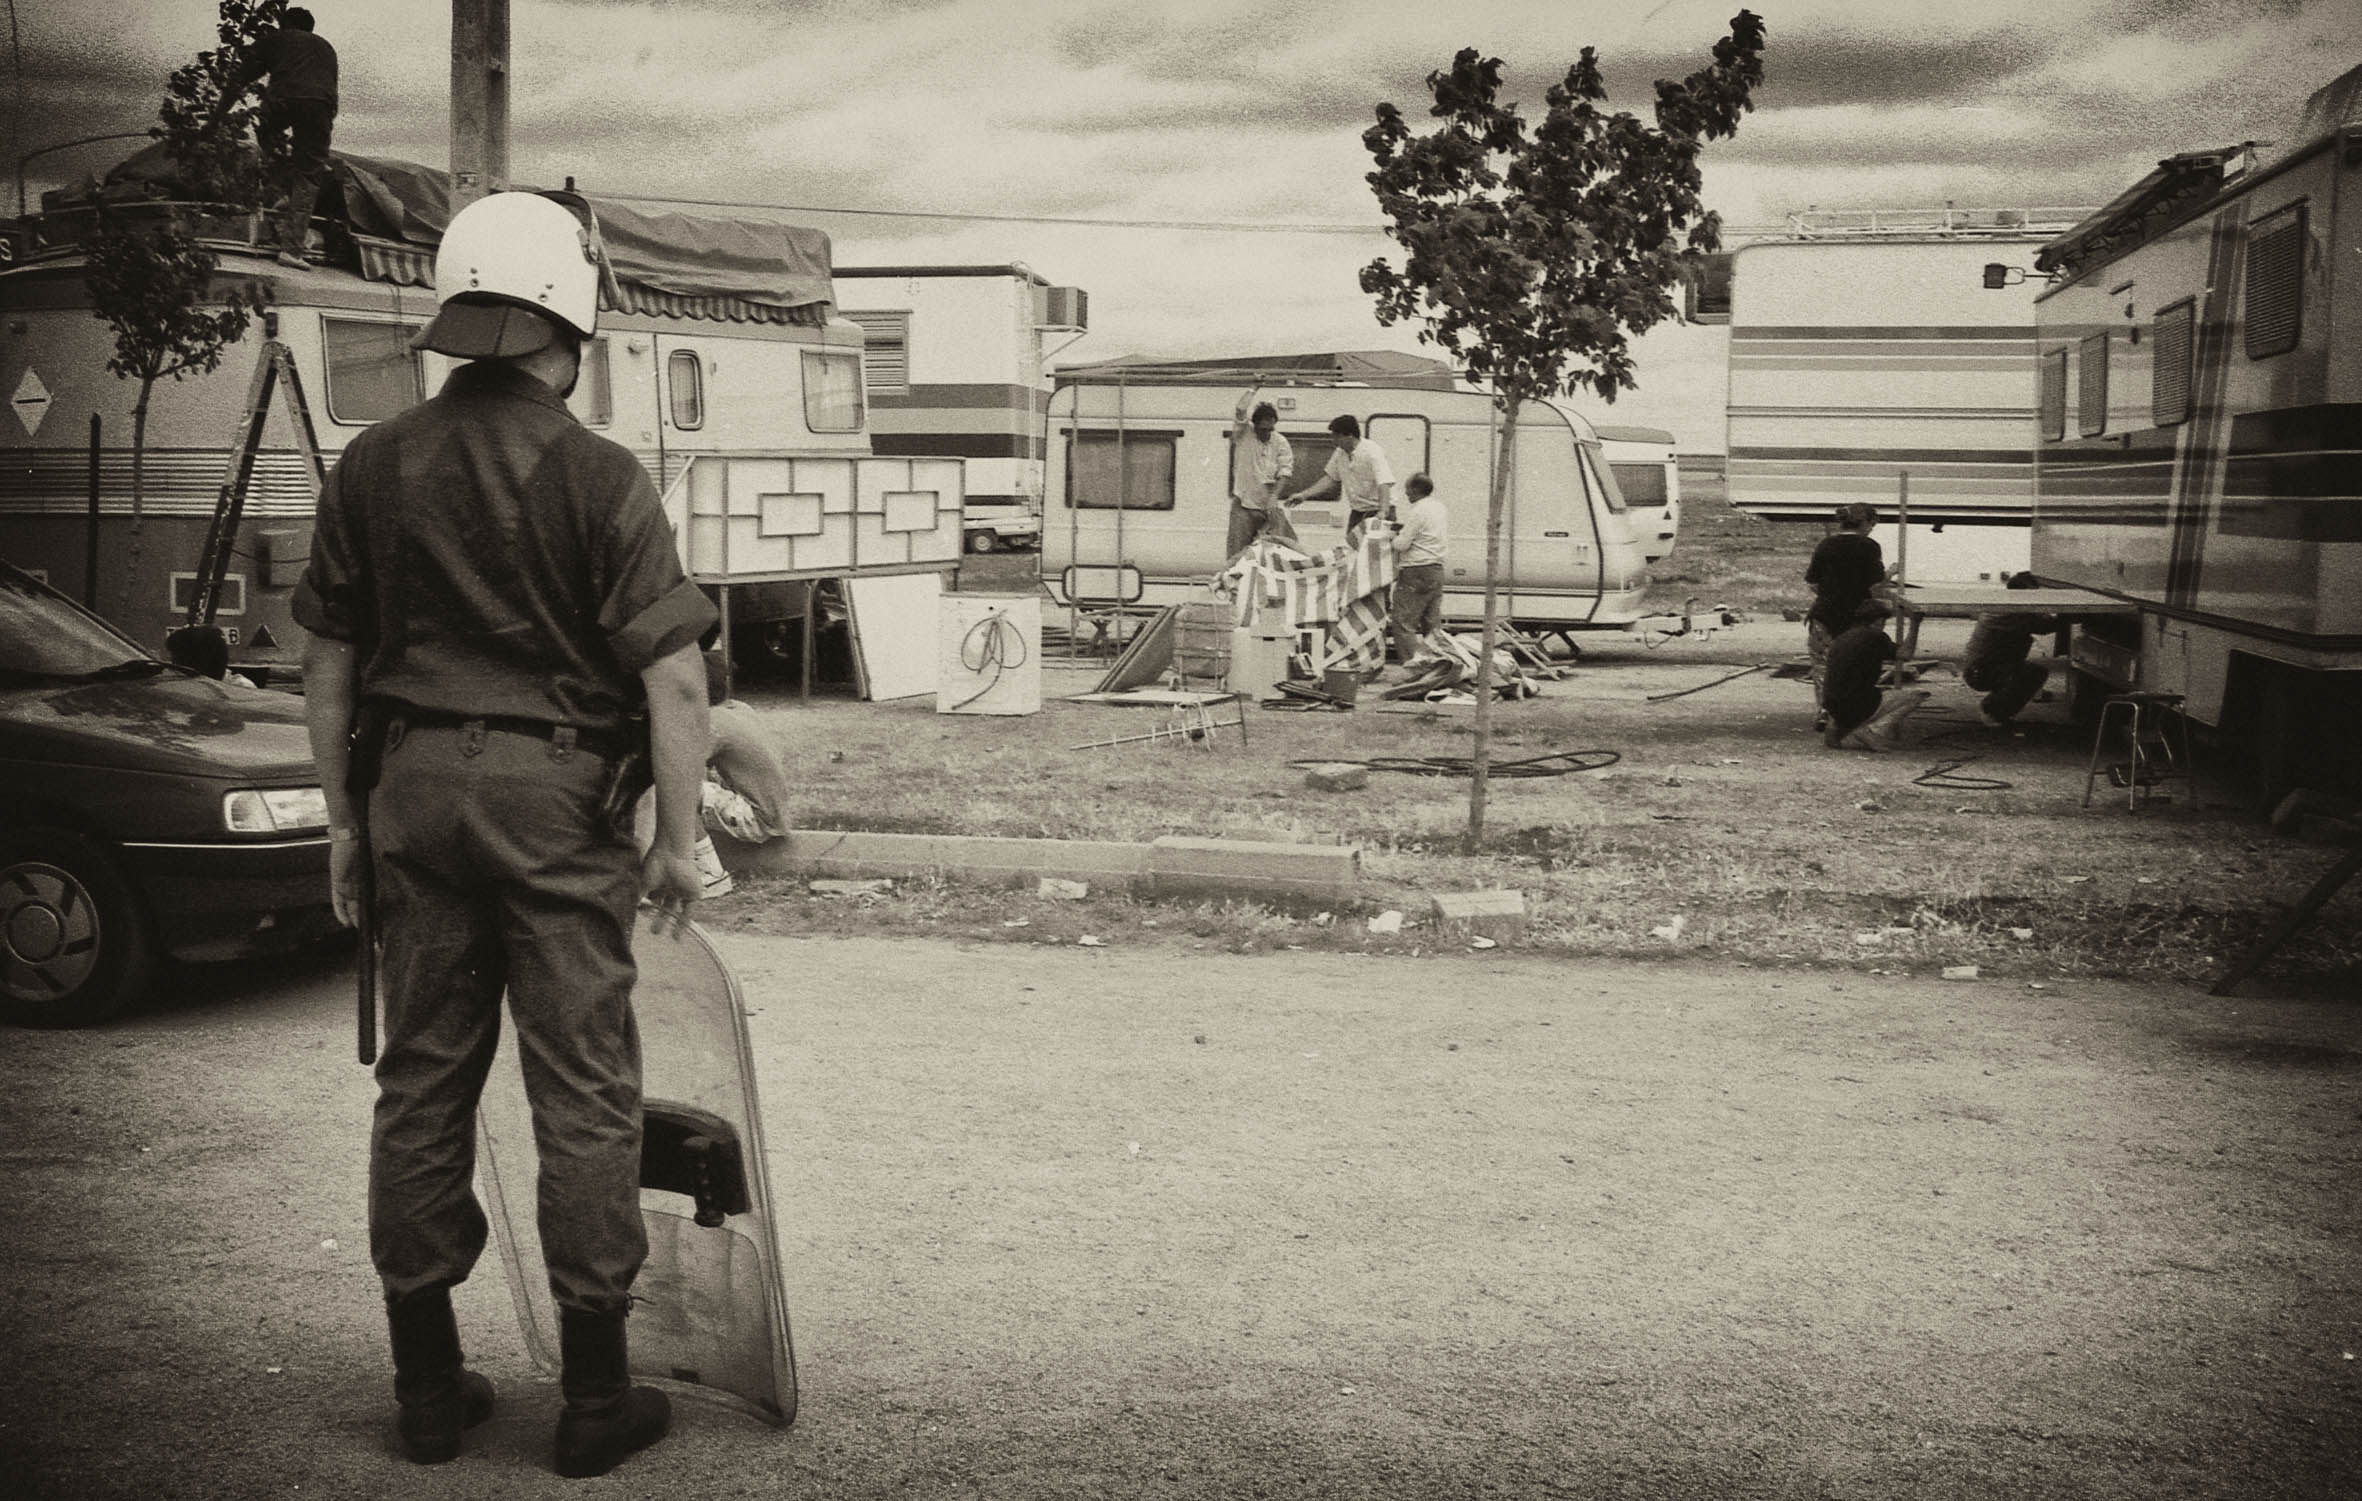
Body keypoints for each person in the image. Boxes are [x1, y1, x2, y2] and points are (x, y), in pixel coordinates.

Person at [294, 191, 714, 1478]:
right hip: (553, 798)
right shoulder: (598, 474)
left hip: (410, 785)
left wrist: (344, 822)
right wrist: (677, 840)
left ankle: (427, 1389)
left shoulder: (373, 461)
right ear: (568, 320)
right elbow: (677, 682)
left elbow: (326, 662)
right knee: (581, 1086)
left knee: (422, 1077)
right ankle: (593, 1400)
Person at [220, 7, 338, 269]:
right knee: (309, 173)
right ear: (310, 28)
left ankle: (280, 183)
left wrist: (215, 120)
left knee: (268, 137)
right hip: (321, 107)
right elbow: (329, 91)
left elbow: (237, 80)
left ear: (282, 24)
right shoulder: (326, 48)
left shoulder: (275, 39)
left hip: (282, 99)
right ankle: (292, 250)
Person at [1803, 503, 1886, 729]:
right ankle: (1851, 713)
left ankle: (1824, 711)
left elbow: (1812, 581)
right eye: (1873, 524)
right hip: (1856, 618)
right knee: (1855, 665)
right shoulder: (1869, 547)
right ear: (1866, 523)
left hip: (1824, 614)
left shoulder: (1826, 545)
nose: (1872, 529)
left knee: (1823, 665)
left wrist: (1830, 593)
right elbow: (1876, 583)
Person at [1820, 599, 1927, 752]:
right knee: (1917, 696)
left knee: (1857, 693)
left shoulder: (1843, 637)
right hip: (1856, 703)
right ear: (1878, 620)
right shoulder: (1875, 636)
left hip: (1831, 703)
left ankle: (1836, 726)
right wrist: (1915, 624)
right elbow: (1906, 653)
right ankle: (1871, 731)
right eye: (1883, 622)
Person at [1961, 572, 2060, 727]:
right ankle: (1991, 710)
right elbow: (2047, 626)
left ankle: (2000, 700)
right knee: (2034, 674)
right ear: (2020, 594)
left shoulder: (2006, 606)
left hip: (1981, 667)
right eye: (2033, 594)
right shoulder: (2012, 614)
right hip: (1979, 672)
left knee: (2024, 670)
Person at [1284, 413, 1394, 543]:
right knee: (1352, 548)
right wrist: (1304, 495)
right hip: (1358, 511)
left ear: (1349, 436)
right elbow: (1330, 478)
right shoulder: (1340, 453)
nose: (1333, 441)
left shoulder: (1372, 451)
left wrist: (1383, 511)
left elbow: (1384, 482)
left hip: (1378, 510)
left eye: (1336, 437)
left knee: (1375, 554)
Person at [1385, 472, 1448, 667]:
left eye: (1408, 490)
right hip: (1436, 569)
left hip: (1416, 570)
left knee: (1403, 621)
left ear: (1415, 490)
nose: (1406, 494)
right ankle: (1440, 665)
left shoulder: (1417, 511)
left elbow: (1403, 544)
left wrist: (1391, 538)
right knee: (1431, 622)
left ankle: (1413, 666)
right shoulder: (1439, 508)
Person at [1226, 397, 1295, 557]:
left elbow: (1285, 471)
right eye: (1263, 429)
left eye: (1270, 429)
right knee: (1237, 553)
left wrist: (1274, 496)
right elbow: (1240, 409)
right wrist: (1254, 388)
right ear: (1254, 425)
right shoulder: (1244, 434)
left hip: (1269, 506)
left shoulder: (1280, 441)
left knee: (1285, 549)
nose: (1267, 433)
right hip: (1244, 505)